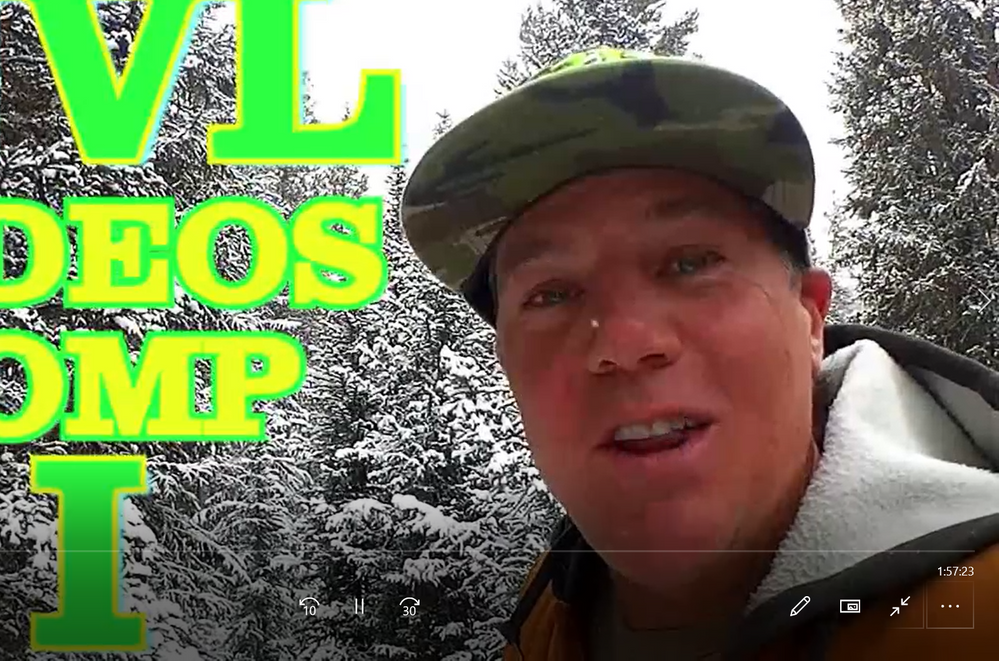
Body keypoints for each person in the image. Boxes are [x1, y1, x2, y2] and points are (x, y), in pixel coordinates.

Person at [399, 47, 999, 660]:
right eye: (551, 294)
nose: (625, 343)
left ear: (811, 319)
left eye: (690, 263)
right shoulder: (549, 607)